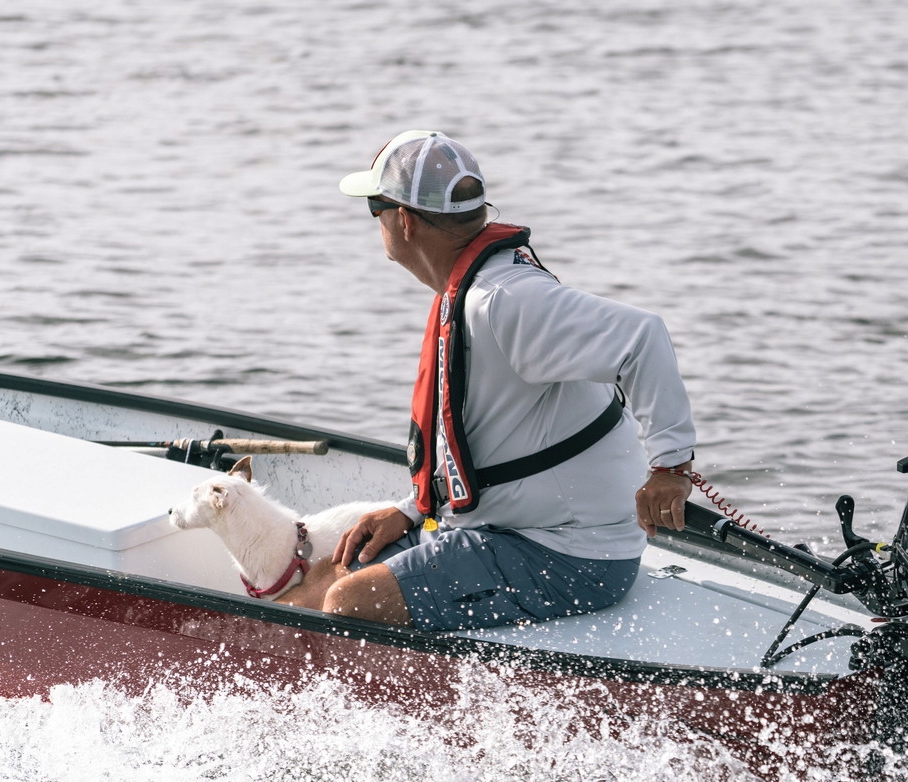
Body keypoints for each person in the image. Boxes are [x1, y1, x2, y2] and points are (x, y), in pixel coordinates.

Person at [283, 130, 696, 630]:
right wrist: (412, 510)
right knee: (324, 581)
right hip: (503, 528)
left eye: (375, 209)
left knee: (351, 603)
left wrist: (670, 468)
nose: (377, 225)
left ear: (406, 222)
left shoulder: (505, 299)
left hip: (571, 555)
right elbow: (485, 433)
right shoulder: (470, 291)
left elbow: (643, 337)